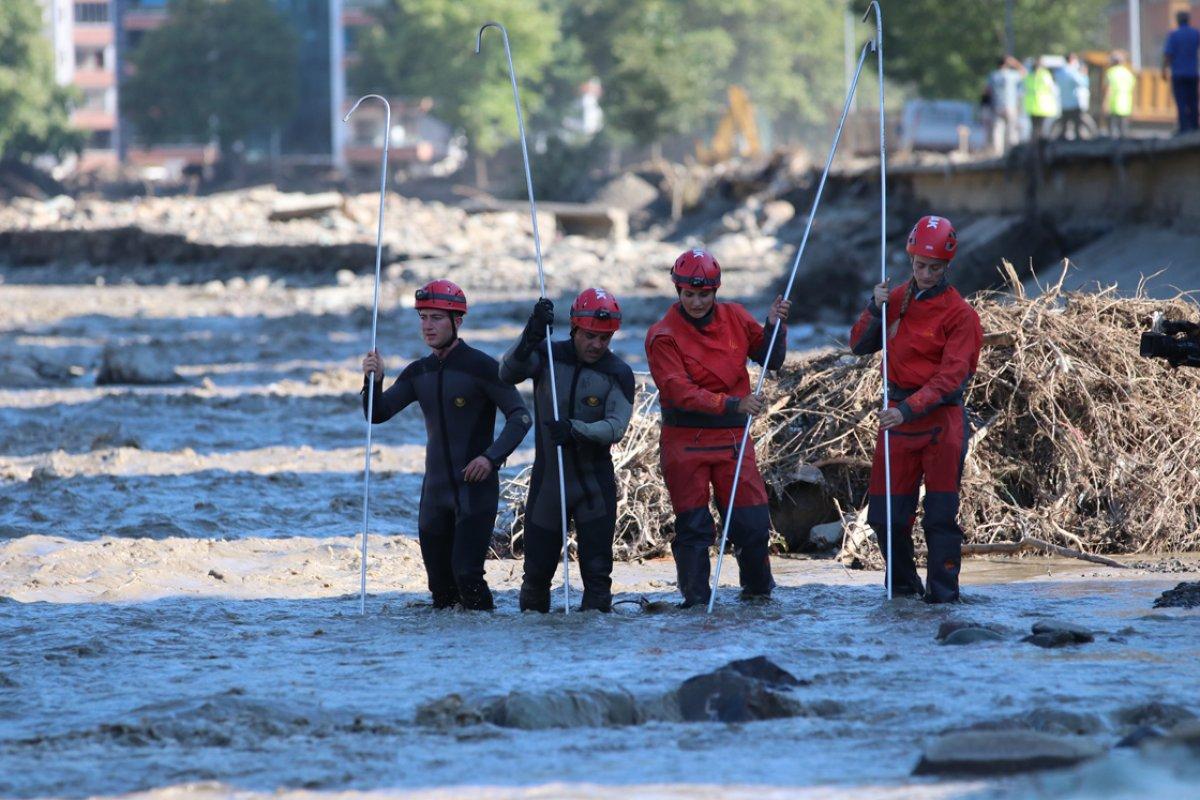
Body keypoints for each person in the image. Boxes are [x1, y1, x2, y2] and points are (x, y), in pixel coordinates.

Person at [361, 280, 531, 611]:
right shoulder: (418, 371)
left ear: (458, 321)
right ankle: (445, 657)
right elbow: (376, 414)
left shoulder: (482, 367)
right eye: (423, 317)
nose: (427, 326)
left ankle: (482, 646)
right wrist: (374, 379)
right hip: (434, 493)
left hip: (475, 489)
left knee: (467, 576)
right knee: (440, 588)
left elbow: (520, 418)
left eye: (436, 318)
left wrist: (490, 458)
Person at [645, 249, 791, 608]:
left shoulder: (736, 316)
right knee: (695, 529)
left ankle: (759, 596)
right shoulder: (662, 335)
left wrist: (774, 325)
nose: (697, 302)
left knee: (752, 524)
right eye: (689, 294)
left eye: (704, 294)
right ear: (677, 290)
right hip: (685, 443)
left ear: (716, 291)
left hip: (733, 440)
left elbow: (771, 358)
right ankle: (695, 602)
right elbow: (678, 391)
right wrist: (731, 403)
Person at [848, 217, 983, 604]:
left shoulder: (961, 316)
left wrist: (906, 410)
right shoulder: (895, 300)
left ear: (947, 267)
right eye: (920, 266)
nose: (925, 274)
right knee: (884, 517)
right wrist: (874, 309)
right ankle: (904, 591)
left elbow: (951, 379)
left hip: (941, 422)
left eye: (934, 268)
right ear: (911, 260)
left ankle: (943, 598)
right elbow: (858, 345)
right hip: (898, 417)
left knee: (939, 516)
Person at [500, 288, 635, 613]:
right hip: (548, 486)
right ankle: (539, 656)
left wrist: (576, 429)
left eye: (605, 338)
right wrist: (531, 332)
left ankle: (591, 658)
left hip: (594, 487)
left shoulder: (618, 372)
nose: (597, 345)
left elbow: (616, 426)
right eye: (590, 336)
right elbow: (507, 372)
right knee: (535, 578)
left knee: (598, 578)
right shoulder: (547, 355)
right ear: (574, 328)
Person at [1163, 10, 1200, 134]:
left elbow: (1168, 55)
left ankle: (1184, 128)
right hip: (1192, 73)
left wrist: (1164, 70)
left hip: (1178, 74)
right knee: (1193, 100)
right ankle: (1195, 127)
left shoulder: (1174, 35)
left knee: (1181, 101)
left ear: (1178, 20)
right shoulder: (1195, 33)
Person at [988, 55, 1026, 153]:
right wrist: (1015, 63)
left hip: (997, 105)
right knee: (1011, 129)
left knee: (997, 130)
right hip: (1010, 105)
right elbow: (1024, 72)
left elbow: (988, 90)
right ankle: (1011, 151)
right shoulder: (1011, 75)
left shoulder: (993, 75)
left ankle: (997, 152)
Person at [1054, 53, 1096, 140]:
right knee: (1077, 127)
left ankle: (1061, 144)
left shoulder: (1059, 72)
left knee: (1064, 127)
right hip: (1073, 103)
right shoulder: (1072, 72)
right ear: (1072, 60)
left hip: (1063, 103)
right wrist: (1084, 74)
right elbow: (1083, 83)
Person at [1023, 56, 1060, 145]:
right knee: (1041, 130)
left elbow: (1024, 89)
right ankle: (1040, 149)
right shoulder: (1045, 75)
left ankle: (1034, 147)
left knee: (1034, 129)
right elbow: (1052, 89)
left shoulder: (1029, 76)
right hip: (1043, 107)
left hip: (1032, 107)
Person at [1104, 50, 1136, 138]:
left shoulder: (1111, 72)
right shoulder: (1128, 74)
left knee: (1112, 134)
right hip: (1125, 106)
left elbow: (1108, 90)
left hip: (1113, 106)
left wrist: (1105, 104)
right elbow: (1132, 91)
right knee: (1124, 133)